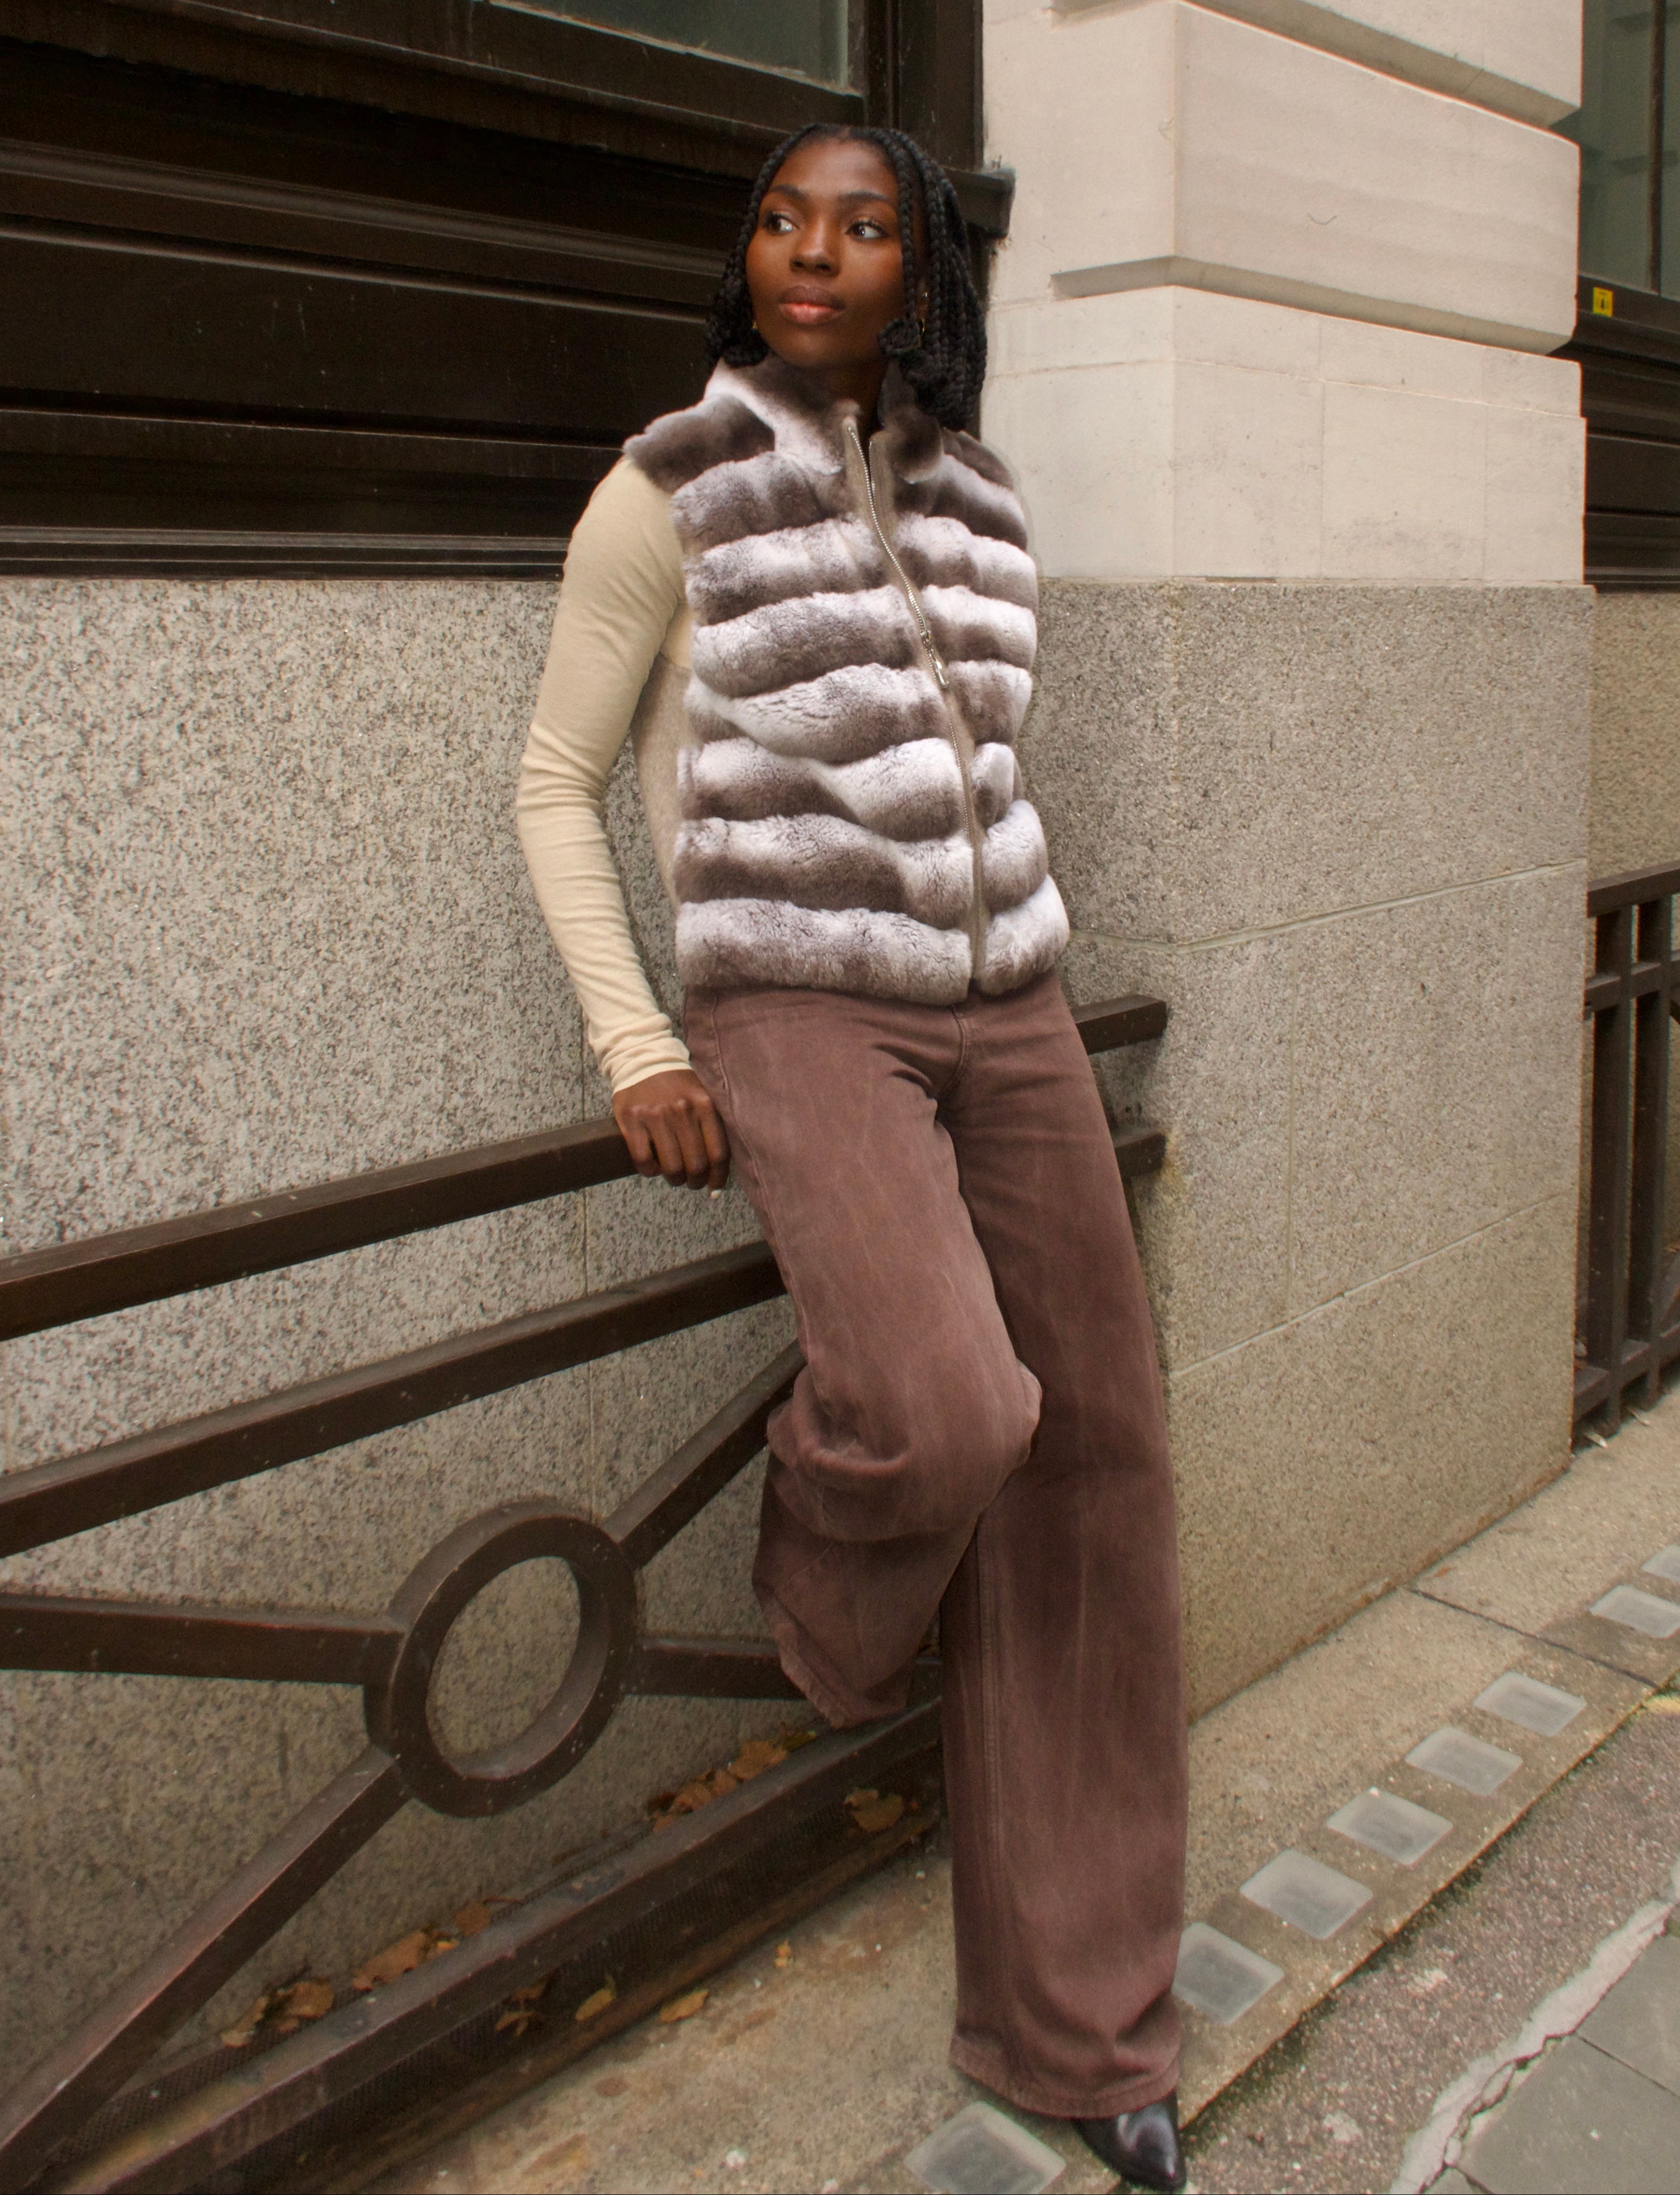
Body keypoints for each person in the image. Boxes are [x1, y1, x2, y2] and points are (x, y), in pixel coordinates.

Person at [516, 120, 1189, 2192]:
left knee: (1099, 1465)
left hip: (1012, 1007)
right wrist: (639, 1039)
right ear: (752, 256)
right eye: (783, 220)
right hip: (793, 1000)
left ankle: (1088, 2034)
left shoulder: (982, 499)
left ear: (924, 270)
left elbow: (985, 766)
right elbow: (552, 779)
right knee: (948, 1404)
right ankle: (825, 1593)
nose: (812, 251)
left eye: (862, 224)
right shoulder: (668, 485)